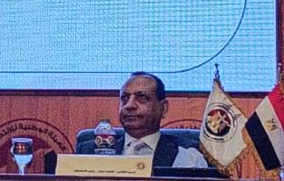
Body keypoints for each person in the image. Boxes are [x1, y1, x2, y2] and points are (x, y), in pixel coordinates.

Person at [78, 71, 207, 168]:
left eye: (142, 98)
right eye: (124, 98)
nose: (129, 105)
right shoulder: (88, 152)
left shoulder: (187, 153)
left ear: (163, 108)